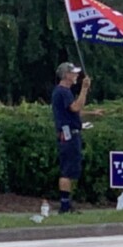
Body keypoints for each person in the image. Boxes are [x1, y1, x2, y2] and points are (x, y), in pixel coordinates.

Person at [51, 62, 101, 214]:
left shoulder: (63, 92)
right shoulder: (63, 91)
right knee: (67, 170)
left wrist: (93, 114)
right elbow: (75, 107)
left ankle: (67, 203)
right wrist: (84, 89)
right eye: (74, 73)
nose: (76, 76)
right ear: (66, 75)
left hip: (70, 133)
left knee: (71, 169)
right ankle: (64, 205)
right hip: (68, 135)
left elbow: (73, 112)